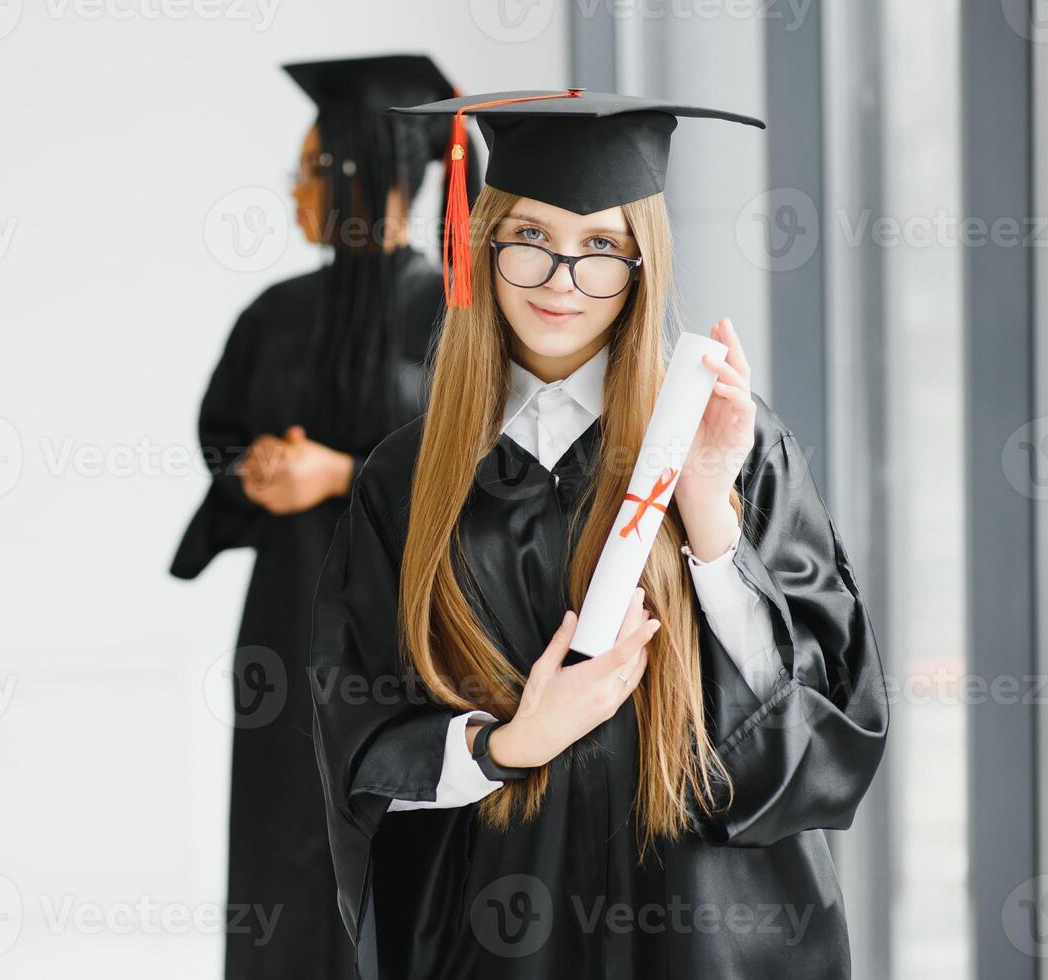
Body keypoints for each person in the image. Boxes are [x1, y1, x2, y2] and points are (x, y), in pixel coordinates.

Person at [309, 90, 889, 979]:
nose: (561, 282)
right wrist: (507, 747)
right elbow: (356, 724)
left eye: (601, 250)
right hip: (497, 931)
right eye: (531, 239)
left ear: (641, 265)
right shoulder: (408, 477)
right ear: (483, 243)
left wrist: (707, 515)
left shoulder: (731, 440)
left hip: (707, 927)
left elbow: (824, 709)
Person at [169, 54, 474, 980]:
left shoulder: (452, 314)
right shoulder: (276, 312)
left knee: (387, 831)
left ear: (357, 168)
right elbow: (220, 434)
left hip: (404, 632)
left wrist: (342, 471)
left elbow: (481, 475)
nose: (296, 187)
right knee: (280, 834)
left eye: (310, 166)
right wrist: (256, 470)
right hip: (288, 615)